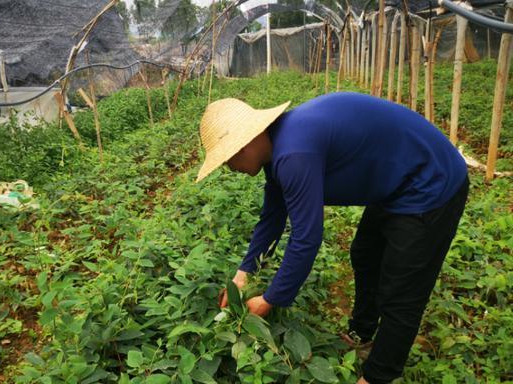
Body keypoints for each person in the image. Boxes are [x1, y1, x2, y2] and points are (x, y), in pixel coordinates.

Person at [196, 93, 469, 384]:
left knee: (401, 288)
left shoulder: (293, 154)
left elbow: (306, 238)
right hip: (396, 181)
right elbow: (272, 218)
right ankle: (362, 331)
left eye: (229, 158)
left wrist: (270, 299)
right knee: (365, 254)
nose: (230, 167)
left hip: (430, 180)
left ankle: (379, 375)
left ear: (248, 140)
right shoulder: (278, 148)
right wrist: (243, 275)